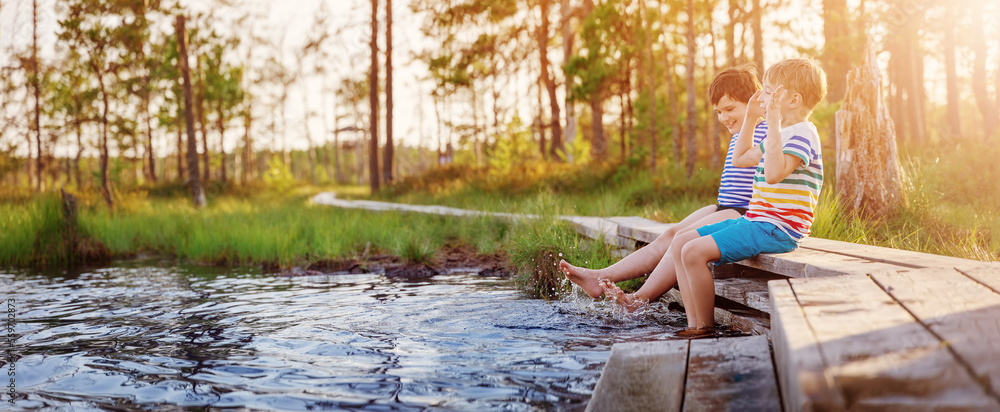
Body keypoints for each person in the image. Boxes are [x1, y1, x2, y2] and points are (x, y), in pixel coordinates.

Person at [558, 63, 768, 310]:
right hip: (724, 206)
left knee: (680, 240)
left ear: (754, 104)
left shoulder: (764, 132)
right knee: (669, 234)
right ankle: (601, 276)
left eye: (730, 109)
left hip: (742, 212)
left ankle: (640, 299)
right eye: (718, 112)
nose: (723, 118)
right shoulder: (739, 134)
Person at [671, 58, 827, 334]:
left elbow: (774, 174)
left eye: (767, 91)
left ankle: (704, 330)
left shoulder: (803, 134)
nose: (761, 96)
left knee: (694, 253)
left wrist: (773, 123)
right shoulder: (781, 134)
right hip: (758, 220)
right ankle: (693, 324)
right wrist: (753, 117)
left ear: (792, 100)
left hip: (778, 228)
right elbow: (741, 159)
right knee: (682, 242)